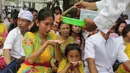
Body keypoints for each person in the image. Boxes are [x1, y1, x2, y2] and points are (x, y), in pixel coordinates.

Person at [17, 7, 62, 73]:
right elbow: (30, 60)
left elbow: (58, 59)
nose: (49, 28)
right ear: (37, 22)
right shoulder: (29, 36)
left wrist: (57, 46)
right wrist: (46, 44)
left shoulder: (52, 35)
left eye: (51, 24)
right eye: (46, 24)